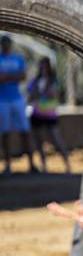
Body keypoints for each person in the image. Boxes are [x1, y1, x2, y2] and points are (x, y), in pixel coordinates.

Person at [0, 34, 37, 174]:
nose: (6, 45)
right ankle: (7, 165)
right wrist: (12, 76)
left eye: (7, 43)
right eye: (4, 43)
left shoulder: (18, 58)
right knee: (5, 133)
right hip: (2, 100)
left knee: (25, 130)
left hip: (17, 98)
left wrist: (6, 77)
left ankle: (32, 164)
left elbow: (23, 76)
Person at [28, 57, 70, 174]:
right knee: (38, 141)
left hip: (50, 114)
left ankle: (67, 165)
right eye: (41, 65)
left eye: (45, 65)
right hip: (37, 113)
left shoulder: (54, 81)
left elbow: (55, 95)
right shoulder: (35, 81)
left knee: (56, 139)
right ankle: (44, 167)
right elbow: (30, 96)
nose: (43, 68)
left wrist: (45, 91)